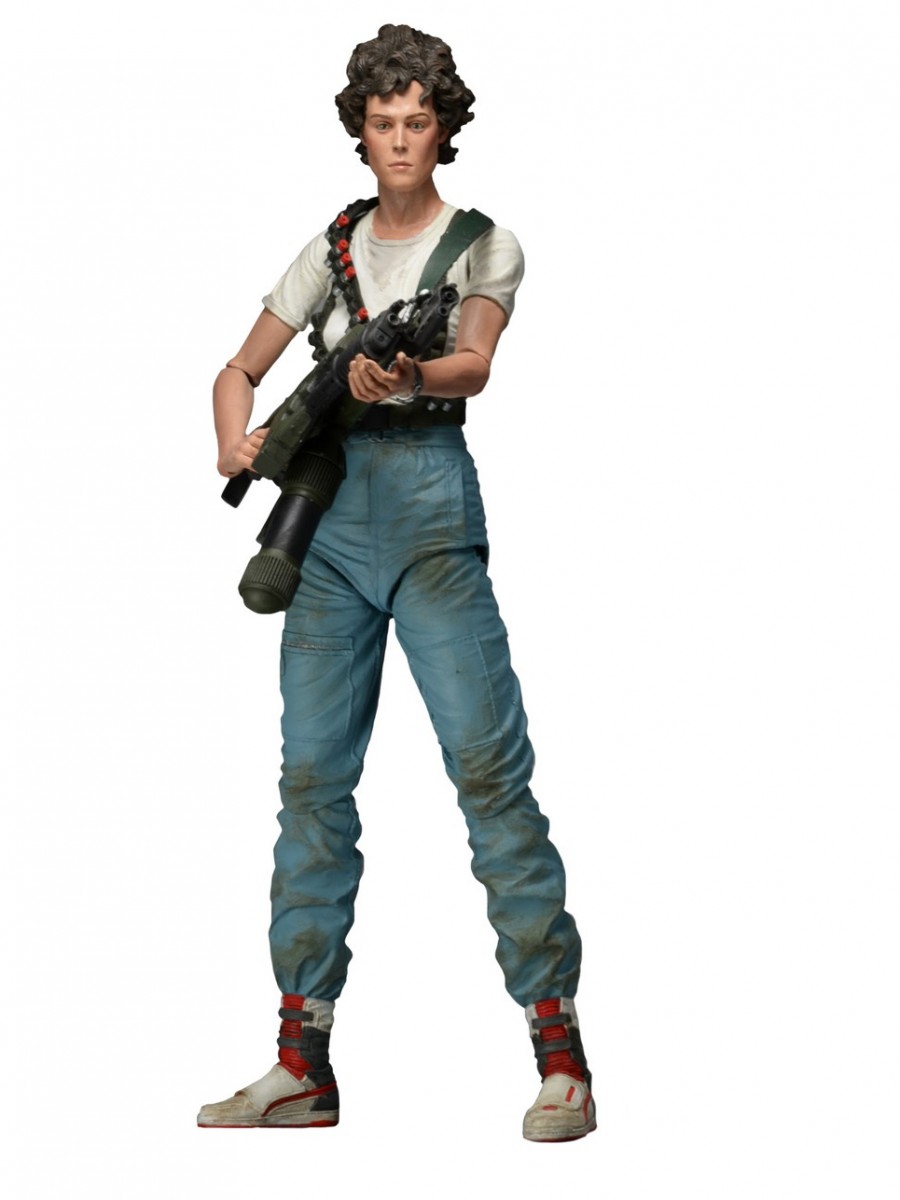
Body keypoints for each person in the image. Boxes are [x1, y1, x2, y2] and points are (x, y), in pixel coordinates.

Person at [198, 23, 594, 1142]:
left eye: (420, 121)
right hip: (326, 523)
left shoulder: (481, 244)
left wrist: (406, 372)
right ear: (361, 132)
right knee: (312, 784)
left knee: (488, 770)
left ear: (444, 128)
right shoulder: (328, 248)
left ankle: (560, 1054)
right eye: (384, 123)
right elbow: (238, 367)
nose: (403, 141)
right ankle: (301, 1062)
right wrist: (236, 440)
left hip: (426, 512)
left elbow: (475, 362)